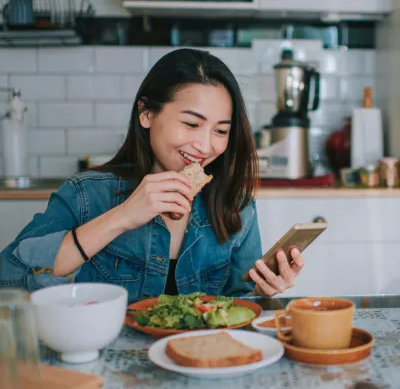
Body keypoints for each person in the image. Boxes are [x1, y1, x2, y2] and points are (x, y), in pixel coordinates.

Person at [0, 48, 304, 303]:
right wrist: (123, 216)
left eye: (221, 130)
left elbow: (237, 304)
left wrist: (262, 293)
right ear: (146, 114)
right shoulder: (85, 195)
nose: (205, 145)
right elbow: (9, 279)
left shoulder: (235, 205)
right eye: (191, 123)